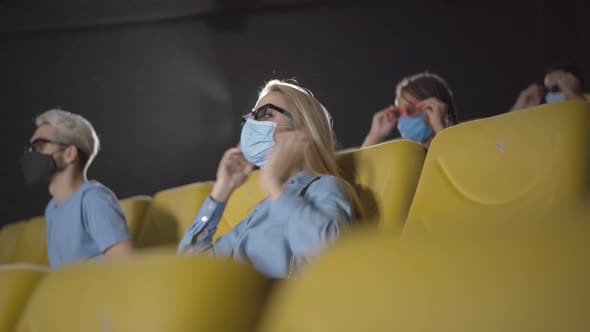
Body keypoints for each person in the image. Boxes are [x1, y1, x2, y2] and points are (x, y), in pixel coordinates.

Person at [178, 80, 357, 278]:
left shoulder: (324, 186)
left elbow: (332, 257)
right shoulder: (262, 209)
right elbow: (190, 267)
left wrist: (274, 186)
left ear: (304, 128)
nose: (252, 125)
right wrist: (222, 191)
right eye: (250, 118)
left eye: (265, 114)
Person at [20, 109, 133, 269]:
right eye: (30, 148)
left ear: (69, 153)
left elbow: (127, 266)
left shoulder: (94, 199)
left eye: (39, 145)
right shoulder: (52, 208)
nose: (31, 153)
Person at [362, 71, 458, 150]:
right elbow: (359, 172)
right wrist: (375, 135)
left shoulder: (462, 143)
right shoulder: (402, 153)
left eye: (410, 110)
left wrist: (440, 128)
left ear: (434, 109)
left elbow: (457, 168)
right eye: (397, 113)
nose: (403, 119)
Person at [511, 63, 588, 111]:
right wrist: (520, 106)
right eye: (547, 90)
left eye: (556, 88)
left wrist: (572, 93)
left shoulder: (585, 101)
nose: (551, 94)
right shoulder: (543, 114)